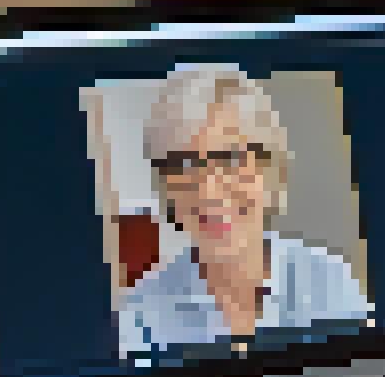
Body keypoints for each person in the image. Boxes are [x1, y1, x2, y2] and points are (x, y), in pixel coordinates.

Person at [119, 64, 370, 360]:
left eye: (231, 158)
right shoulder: (141, 314)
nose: (208, 190)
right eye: (182, 164)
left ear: (270, 169)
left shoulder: (328, 280)